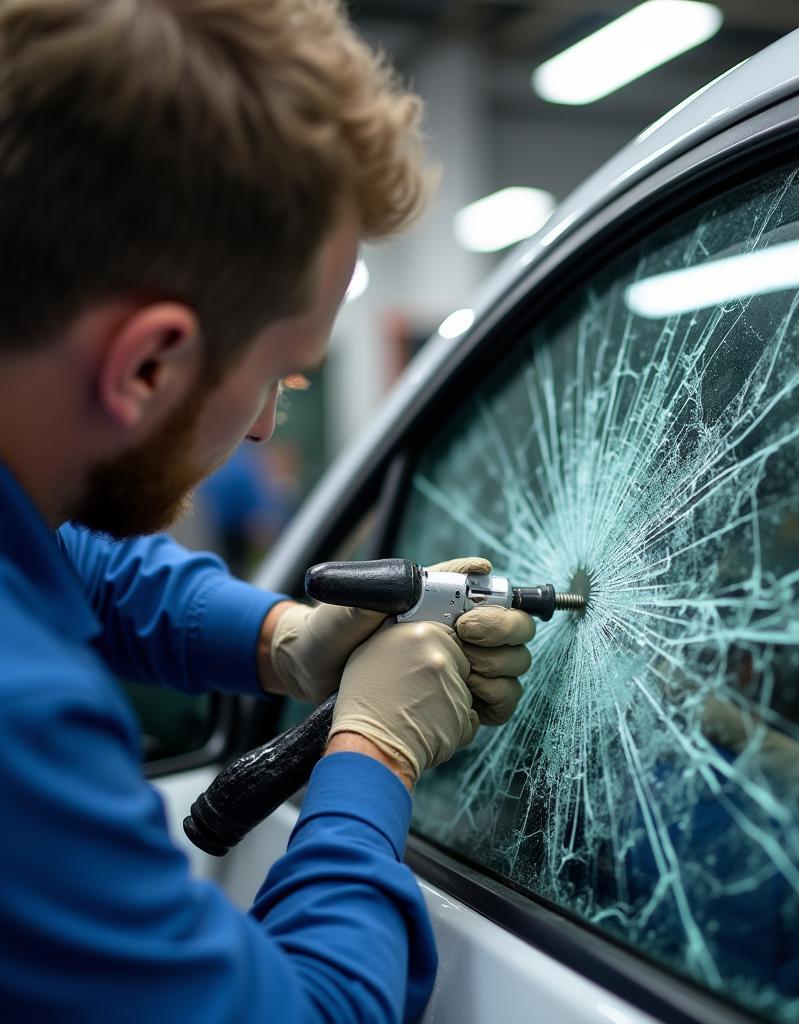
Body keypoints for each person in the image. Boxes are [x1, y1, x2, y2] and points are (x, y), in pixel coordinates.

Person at [0, 2, 534, 1021]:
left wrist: (288, 640)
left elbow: (63, 564)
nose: (261, 430)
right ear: (148, 363)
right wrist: (373, 757)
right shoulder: (22, 730)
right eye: (280, 374)